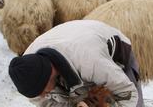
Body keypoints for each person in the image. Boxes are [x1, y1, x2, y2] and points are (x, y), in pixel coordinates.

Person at [8, 19, 144, 107]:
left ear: (47, 76)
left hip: (114, 56)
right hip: (74, 57)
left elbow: (127, 93)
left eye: (42, 91)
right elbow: (47, 102)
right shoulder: (29, 75)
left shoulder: (90, 61)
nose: (42, 96)